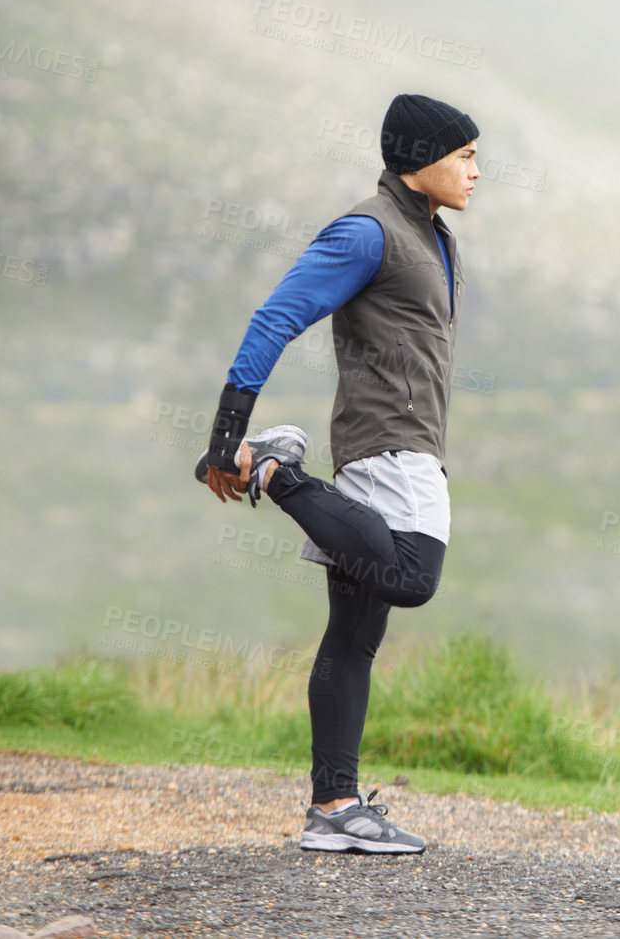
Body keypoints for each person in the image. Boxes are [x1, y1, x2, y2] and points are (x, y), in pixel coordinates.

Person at [194, 92, 481, 854]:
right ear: (420, 159)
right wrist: (228, 438)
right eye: (465, 154)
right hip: (390, 450)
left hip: (395, 446)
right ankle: (278, 473)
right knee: (413, 578)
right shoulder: (368, 231)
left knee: (352, 637)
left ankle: (333, 806)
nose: (476, 169)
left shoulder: (434, 237)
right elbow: (275, 316)